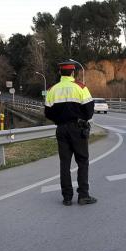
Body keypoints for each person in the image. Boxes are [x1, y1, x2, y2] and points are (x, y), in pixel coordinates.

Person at [45, 61, 97, 206]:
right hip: (78, 129)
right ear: (73, 72)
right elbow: (89, 111)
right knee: (82, 162)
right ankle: (83, 195)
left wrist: (59, 120)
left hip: (61, 129)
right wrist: (82, 119)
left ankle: (67, 197)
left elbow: (47, 112)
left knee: (65, 163)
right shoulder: (81, 87)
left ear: (60, 73)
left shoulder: (52, 89)